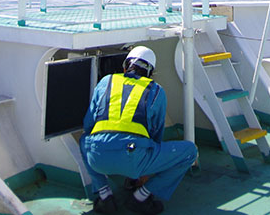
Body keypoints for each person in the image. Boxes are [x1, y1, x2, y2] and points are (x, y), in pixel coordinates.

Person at [79, 46, 198, 214]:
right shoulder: (156, 91)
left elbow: (88, 125)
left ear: (125, 66)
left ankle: (105, 196)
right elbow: (156, 135)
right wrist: (143, 173)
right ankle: (140, 197)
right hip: (135, 158)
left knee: (85, 140)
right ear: (151, 73)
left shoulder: (106, 81)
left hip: (97, 157)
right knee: (189, 152)